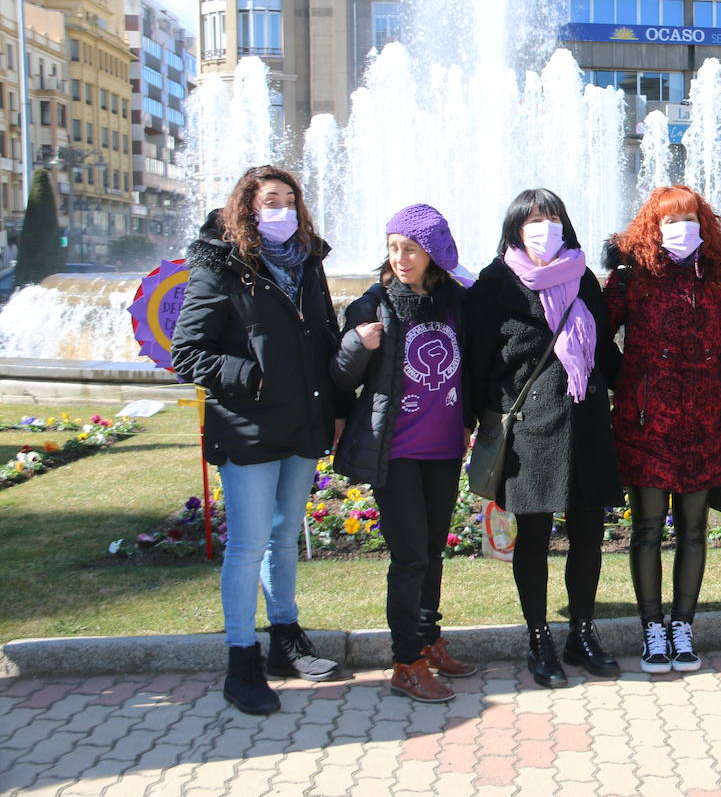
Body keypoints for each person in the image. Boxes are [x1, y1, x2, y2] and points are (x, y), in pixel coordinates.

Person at [171, 165, 342, 716]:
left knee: (285, 534)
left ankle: (284, 641)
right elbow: (188, 351)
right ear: (247, 206)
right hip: (247, 427)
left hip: (301, 425)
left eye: (290, 199)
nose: (283, 209)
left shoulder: (309, 264)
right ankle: (240, 660)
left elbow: (325, 340)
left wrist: (337, 407)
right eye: (271, 199)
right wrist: (252, 376)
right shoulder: (222, 267)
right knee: (247, 546)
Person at [466, 188, 622, 688]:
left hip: (588, 423)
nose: (544, 227)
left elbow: (605, 353)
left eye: (552, 218)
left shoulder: (583, 278)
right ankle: (539, 636)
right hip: (532, 432)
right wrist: (470, 421)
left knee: (588, 537)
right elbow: (478, 361)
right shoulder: (496, 283)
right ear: (515, 228)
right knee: (533, 540)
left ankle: (581, 630)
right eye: (533, 220)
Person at [332, 204, 477, 703]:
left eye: (410, 248)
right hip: (395, 451)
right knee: (410, 555)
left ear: (433, 253)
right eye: (393, 248)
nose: (400, 258)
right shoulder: (373, 305)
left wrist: (469, 422)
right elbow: (340, 378)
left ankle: (428, 638)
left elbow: (472, 369)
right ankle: (405, 662)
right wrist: (356, 344)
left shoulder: (457, 302)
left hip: (442, 448)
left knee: (434, 550)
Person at [602, 185, 721, 674]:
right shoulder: (630, 278)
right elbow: (594, 335)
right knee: (649, 528)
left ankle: (684, 626)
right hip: (647, 423)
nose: (683, 228)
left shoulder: (717, 278)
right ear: (653, 226)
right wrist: (630, 379)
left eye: (691, 218)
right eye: (671, 220)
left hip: (703, 420)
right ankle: (652, 629)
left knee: (694, 529)